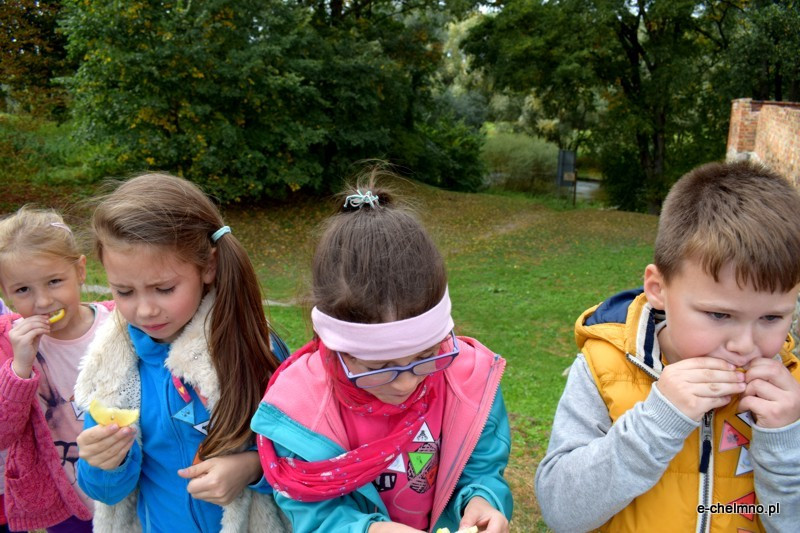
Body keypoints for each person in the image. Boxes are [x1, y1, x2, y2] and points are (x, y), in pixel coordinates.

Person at [535, 160, 800, 532]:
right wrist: (658, 421)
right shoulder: (604, 366)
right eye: (719, 315)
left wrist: (785, 444)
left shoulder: (792, 394)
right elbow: (562, 512)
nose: (744, 346)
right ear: (658, 290)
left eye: (771, 318)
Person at [252, 168, 513, 533]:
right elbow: (314, 512)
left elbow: (481, 468)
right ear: (334, 348)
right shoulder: (301, 409)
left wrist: (482, 500)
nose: (406, 382)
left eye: (425, 357)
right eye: (379, 366)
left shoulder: (468, 381)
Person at [73, 173, 290, 532]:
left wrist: (251, 468)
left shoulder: (254, 349)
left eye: (163, 288)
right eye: (124, 292)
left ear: (208, 266)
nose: (144, 310)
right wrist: (102, 463)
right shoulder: (111, 368)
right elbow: (107, 494)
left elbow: (304, 458)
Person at [0, 207, 115, 532]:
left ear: (80, 271)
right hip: (66, 502)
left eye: (54, 281)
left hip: (131, 483)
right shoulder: (8, 343)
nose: (43, 301)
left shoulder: (119, 324)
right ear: (5, 292)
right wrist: (20, 368)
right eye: (23, 290)